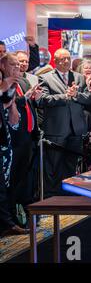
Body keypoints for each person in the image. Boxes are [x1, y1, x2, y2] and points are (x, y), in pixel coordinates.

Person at [36, 48, 91, 198]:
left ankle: (68, 196)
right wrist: (64, 96)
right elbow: (42, 100)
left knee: (70, 165)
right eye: (63, 59)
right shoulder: (46, 78)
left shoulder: (79, 77)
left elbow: (88, 99)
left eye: (68, 58)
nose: (66, 61)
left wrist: (76, 95)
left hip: (76, 129)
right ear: (55, 61)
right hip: (56, 129)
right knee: (53, 166)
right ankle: (50, 198)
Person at [1, 54, 41, 227]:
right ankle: (9, 219)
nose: (18, 67)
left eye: (19, 65)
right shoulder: (5, 82)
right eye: (13, 64)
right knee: (9, 182)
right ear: (3, 66)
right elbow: (6, 102)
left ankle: (21, 213)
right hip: (10, 139)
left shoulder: (22, 82)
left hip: (26, 136)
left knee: (24, 179)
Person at [0, 68, 29, 236]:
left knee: (3, 187)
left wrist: (11, 105)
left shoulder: (4, 95)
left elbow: (14, 119)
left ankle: (7, 224)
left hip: (5, 144)